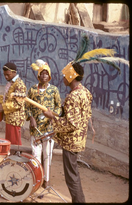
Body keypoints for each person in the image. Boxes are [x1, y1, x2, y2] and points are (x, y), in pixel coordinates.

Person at [43, 62, 92, 203]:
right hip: (80, 139)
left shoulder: (73, 97)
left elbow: (71, 123)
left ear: (72, 76)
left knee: (71, 177)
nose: (63, 78)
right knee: (73, 174)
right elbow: (84, 116)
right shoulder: (85, 92)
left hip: (71, 142)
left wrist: (52, 117)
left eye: (65, 76)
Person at [26, 59, 61, 188]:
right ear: (39, 75)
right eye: (43, 73)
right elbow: (27, 106)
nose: (45, 76)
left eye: (47, 74)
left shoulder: (54, 90)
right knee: (36, 155)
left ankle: (46, 180)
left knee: (47, 155)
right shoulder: (32, 90)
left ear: (49, 76)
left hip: (48, 128)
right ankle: (37, 178)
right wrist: (31, 118)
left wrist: (53, 115)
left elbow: (59, 108)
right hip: (36, 129)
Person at [0, 62, 26, 145]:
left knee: (14, 143)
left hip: (15, 119)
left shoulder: (19, 84)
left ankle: (15, 157)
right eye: (4, 75)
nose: (6, 77)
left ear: (14, 72)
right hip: (10, 118)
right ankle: (11, 157)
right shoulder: (11, 83)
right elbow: (9, 98)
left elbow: (18, 103)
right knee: (9, 142)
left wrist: (3, 107)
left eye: (8, 75)